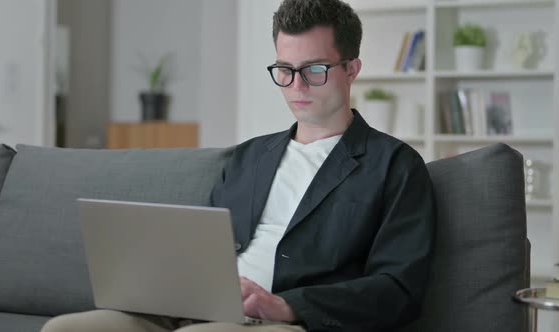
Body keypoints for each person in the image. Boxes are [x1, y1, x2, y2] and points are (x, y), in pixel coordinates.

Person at [41, 0, 435, 331]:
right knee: (66, 328)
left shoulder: (394, 165)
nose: (296, 86)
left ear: (351, 69)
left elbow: (398, 290)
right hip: (195, 308)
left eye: (314, 70)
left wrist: (287, 306)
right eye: (285, 70)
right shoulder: (248, 157)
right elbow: (203, 246)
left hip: (287, 321)